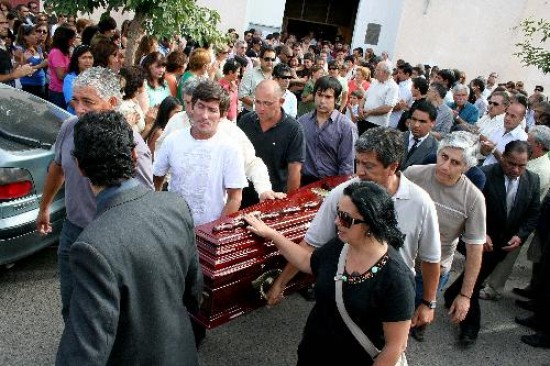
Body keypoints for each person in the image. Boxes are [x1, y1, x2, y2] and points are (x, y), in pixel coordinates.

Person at [55, 111, 202, 366]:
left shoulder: (91, 246)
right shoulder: (176, 206)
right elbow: (194, 290)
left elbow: (85, 351)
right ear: (134, 155)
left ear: (79, 166)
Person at [267, 127, 441, 334]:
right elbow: (311, 245)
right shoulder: (342, 194)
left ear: (392, 167)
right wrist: (281, 283)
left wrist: (428, 302)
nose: (359, 171)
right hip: (343, 293)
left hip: (390, 298)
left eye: (369, 165)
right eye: (358, 161)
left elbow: (431, 258)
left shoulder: (421, 203)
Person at [244, 181, 414, 365]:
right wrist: (272, 234)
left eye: (345, 218)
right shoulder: (340, 246)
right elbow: (307, 261)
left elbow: (395, 346)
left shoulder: (397, 279)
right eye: (337, 213)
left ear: (371, 224)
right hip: (314, 353)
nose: (336, 222)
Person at [36, 67, 154, 323]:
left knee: (108, 312)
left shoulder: (134, 147)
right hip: (73, 231)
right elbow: (57, 168)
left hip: (112, 240)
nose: (78, 109)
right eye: (75, 101)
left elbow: (144, 202)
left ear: (112, 103)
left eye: (87, 102)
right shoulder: (69, 128)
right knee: (71, 305)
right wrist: (44, 207)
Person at [444, 140, 540, 347]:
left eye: (521, 165)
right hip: (475, 241)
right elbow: (463, 207)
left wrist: (521, 235)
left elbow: (533, 214)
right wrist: (481, 232)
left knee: (475, 276)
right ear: (503, 158)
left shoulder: (532, 180)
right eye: (511, 163)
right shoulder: (483, 175)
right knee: (475, 283)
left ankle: (452, 293)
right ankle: (469, 328)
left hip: (502, 246)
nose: (516, 169)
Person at [403, 132, 486, 344]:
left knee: (417, 311)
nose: (445, 166)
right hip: (400, 260)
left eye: (455, 162)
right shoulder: (413, 174)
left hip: (432, 271)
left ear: (466, 167)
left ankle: (419, 324)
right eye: (443, 156)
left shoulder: (474, 199)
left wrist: (466, 296)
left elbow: (475, 251)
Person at [153, 80, 247, 226]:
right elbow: (157, 177)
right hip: (172, 225)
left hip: (208, 231)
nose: (204, 115)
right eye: (200, 107)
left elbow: (235, 197)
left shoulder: (231, 149)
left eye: (212, 110)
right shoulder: (173, 140)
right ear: (192, 107)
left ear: (222, 115)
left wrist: (215, 230)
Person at [238, 79, 306, 207]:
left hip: (274, 198)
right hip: (243, 197)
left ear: (281, 102)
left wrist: (289, 202)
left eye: (267, 103)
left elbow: (295, 171)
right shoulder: (245, 121)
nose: (261, 108)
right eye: (257, 102)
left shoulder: (293, 129)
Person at [298, 75, 356, 185]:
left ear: (336, 99)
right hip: (304, 183)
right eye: (319, 95)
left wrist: (338, 192)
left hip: (332, 184)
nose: (322, 101)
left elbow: (347, 165)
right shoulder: (302, 122)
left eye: (328, 97)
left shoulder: (346, 127)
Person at [360, 61, 399, 135]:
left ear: (385, 72)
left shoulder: (393, 87)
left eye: (377, 70)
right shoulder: (375, 82)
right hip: (364, 119)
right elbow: (364, 98)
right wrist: (360, 109)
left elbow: (387, 108)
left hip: (376, 124)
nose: (375, 71)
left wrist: (369, 113)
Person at [400, 100, 439, 171]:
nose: (416, 125)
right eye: (414, 119)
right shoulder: (397, 138)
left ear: (432, 123)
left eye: (422, 121)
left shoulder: (436, 149)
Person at [239, 45, 276, 116]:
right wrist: (260, 106)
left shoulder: (277, 75)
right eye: (267, 59)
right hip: (251, 114)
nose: (270, 62)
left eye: (272, 59)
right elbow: (242, 96)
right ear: (261, 59)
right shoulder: (250, 74)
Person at [16, 24, 48, 98]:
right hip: (28, 86)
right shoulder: (20, 50)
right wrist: (41, 65)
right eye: (33, 34)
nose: (36, 36)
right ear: (25, 36)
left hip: (41, 83)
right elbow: (23, 72)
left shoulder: (39, 48)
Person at [48, 26, 76, 109]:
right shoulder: (57, 53)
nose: (73, 40)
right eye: (71, 38)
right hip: (58, 92)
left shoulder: (64, 52)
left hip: (63, 90)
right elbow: (60, 75)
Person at [63, 44, 93, 115]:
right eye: (84, 58)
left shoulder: (95, 77)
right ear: (76, 60)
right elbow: (72, 103)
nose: (88, 61)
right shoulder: (69, 79)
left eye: (90, 57)